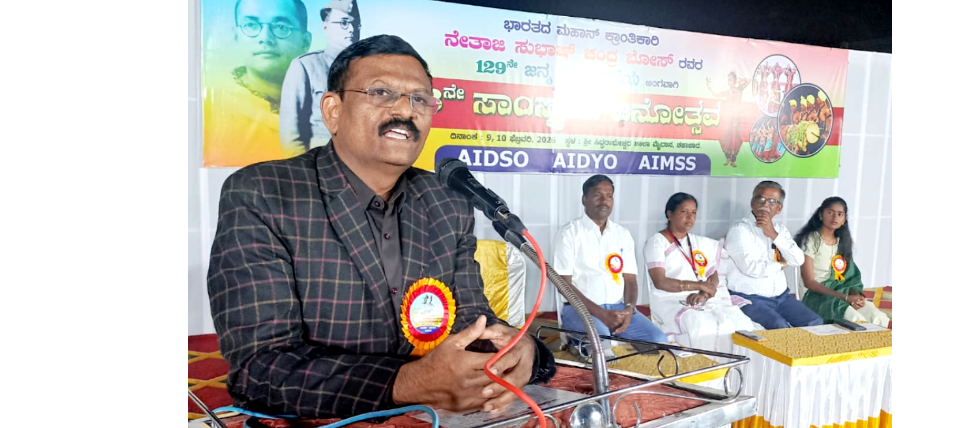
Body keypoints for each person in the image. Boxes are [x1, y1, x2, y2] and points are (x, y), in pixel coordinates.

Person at [207, 35, 555, 419]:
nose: (405, 110)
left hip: (433, 418)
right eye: (381, 93)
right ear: (333, 111)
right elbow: (259, 368)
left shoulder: (446, 201)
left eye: (420, 99)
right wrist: (408, 382)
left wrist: (523, 351)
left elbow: (473, 322)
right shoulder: (264, 193)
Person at [553, 175, 668, 359]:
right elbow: (563, 284)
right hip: (580, 309)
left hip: (618, 308)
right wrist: (602, 314)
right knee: (603, 352)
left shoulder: (622, 234)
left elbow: (630, 280)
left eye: (609, 196)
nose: (604, 201)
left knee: (659, 341)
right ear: (584, 199)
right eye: (597, 195)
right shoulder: (569, 233)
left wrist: (629, 310)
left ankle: (606, 337)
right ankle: (580, 343)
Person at [644, 193, 758, 355]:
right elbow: (660, 282)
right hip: (670, 298)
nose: (690, 217)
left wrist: (703, 294)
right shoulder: (657, 241)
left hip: (702, 297)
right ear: (670, 214)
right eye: (684, 211)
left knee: (741, 323)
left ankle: (733, 363)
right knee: (700, 324)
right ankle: (705, 364)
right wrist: (699, 286)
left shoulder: (699, 243)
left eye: (694, 212)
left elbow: (713, 275)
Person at [203, 0, 312, 167]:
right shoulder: (212, 108)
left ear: (305, 42)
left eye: (281, 27)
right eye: (251, 25)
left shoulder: (328, 104)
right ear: (236, 37)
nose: (265, 38)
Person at [724, 181, 823, 329]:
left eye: (772, 201)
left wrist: (773, 234)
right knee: (779, 327)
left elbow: (798, 259)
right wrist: (781, 264)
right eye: (761, 199)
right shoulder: (740, 230)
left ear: (778, 208)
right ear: (752, 203)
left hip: (782, 298)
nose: (765, 204)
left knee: (815, 322)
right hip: (750, 299)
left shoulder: (779, 230)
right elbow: (751, 269)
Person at [279, 0, 361, 157]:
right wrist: (304, 169)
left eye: (355, 24)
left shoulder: (367, 70)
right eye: (344, 23)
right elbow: (291, 134)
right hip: (320, 162)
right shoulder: (305, 66)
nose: (351, 29)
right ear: (326, 27)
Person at [794, 197, 890, 327]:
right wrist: (844, 298)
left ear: (844, 219)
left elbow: (851, 278)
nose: (835, 217)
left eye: (840, 214)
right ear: (821, 214)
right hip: (815, 295)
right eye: (830, 212)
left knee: (877, 317)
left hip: (841, 291)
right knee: (854, 318)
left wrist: (855, 296)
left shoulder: (842, 242)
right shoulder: (812, 239)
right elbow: (809, 282)